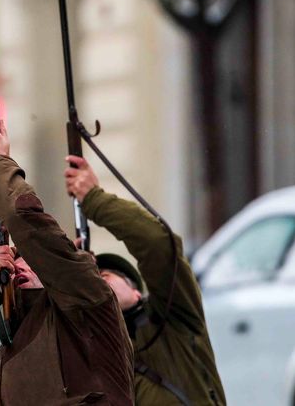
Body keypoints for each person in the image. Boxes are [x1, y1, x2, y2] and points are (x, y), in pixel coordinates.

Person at [0, 121, 135, 406]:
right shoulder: (2, 369)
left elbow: (32, 227)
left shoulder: (87, 302)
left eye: (29, 258)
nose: (19, 263)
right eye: (16, 258)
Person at [64, 155, 226, 406]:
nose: (97, 282)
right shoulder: (83, 353)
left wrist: (94, 199)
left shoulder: (173, 320)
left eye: (104, 275)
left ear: (137, 293)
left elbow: (157, 244)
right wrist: (62, 272)